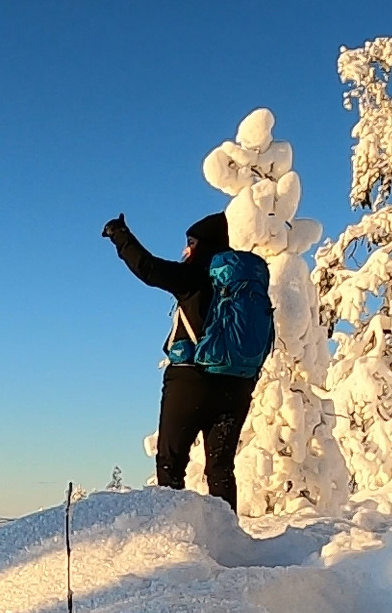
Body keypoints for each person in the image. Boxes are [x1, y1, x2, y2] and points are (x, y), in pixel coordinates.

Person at [103, 212, 274, 513]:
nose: (185, 250)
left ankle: (174, 541)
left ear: (203, 244)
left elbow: (148, 268)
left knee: (171, 463)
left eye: (190, 243)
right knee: (220, 468)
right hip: (237, 385)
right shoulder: (244, 283)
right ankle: (228, 544)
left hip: (190, 382)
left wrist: (120, 235)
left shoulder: (195, 276)